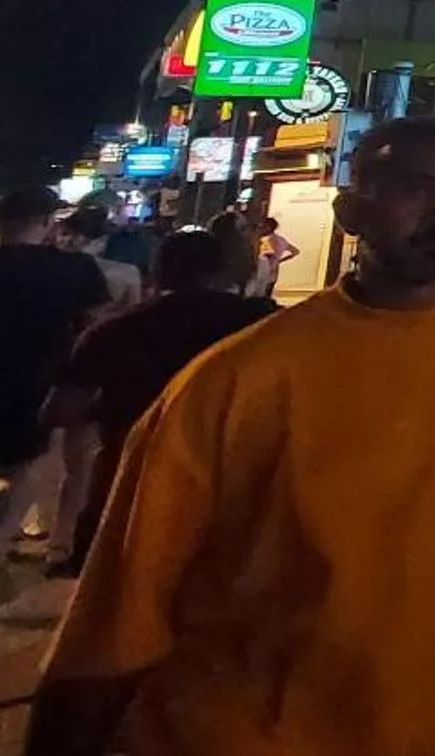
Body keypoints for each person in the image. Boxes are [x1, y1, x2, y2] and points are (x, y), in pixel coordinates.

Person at [27, 117, 435, 756]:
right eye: (413, 189)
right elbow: (126, 600)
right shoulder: (242, 375)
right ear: (352, 212)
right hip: (247, 733)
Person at [40, 228, 276, 576]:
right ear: (222, 270)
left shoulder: (115, 331)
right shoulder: (262, 323)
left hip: (130, 486)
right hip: (236, 485)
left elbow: (60, 411)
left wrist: (106, 407)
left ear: (158, 270)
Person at [1, 190, 109, 556]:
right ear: (48, 223)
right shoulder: (76, 269)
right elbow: (94, 327)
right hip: (39, 384)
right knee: (24, 472)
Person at [247, 215, 299, 299]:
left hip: (262, 274)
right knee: (266, 297)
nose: (261, 229)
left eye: (263, 226)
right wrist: (279, 260)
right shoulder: (281, 240)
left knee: (257, 297)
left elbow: (265, 255)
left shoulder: (266, 240)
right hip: (273, 274)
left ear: (268, 227)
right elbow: (295, 251)